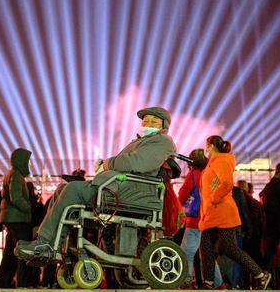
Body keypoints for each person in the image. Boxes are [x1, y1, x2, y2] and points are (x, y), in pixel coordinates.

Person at [16, 107, 176, 263]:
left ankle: (44, 243)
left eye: (153, 121)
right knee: (61, 189)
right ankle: (50, 245)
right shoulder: (143, 141)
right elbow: (126, 162)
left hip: (130, 191)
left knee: (72, 189)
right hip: (118, 186)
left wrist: (107, 163)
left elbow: (136, 162)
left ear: (164, 126)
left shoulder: (162, 141)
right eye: (145, 120)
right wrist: (109, 165)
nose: (147, 124)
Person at [198, 135, 272, 290]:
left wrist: (214, 198)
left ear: (210, 146)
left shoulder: (221, 161)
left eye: (206, 145)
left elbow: (226, 183)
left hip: (223, 212)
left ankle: (261, 275)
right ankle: (208, 283)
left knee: (229, 248)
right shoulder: (212, 163)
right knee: (206, 248)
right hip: (212, 214)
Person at [0, 148, 33, 288]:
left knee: (10, 254)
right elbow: (16, 197)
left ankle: (3, 283)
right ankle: (23, 283)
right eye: (28, 161)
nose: (29, 164)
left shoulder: (10, 174)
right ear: (21, 160)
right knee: (23, 251)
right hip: (18, 218)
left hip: (11, 218)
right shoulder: (17, 175)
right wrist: (29, 208)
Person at [177, 148, 207, 288]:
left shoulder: (193, 175)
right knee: (207, 255)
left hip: (195, 220)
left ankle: (186, 281)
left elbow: (182, 195)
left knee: (186, 252)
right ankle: (218, 283)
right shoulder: (208, 174)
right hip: (208, 219)